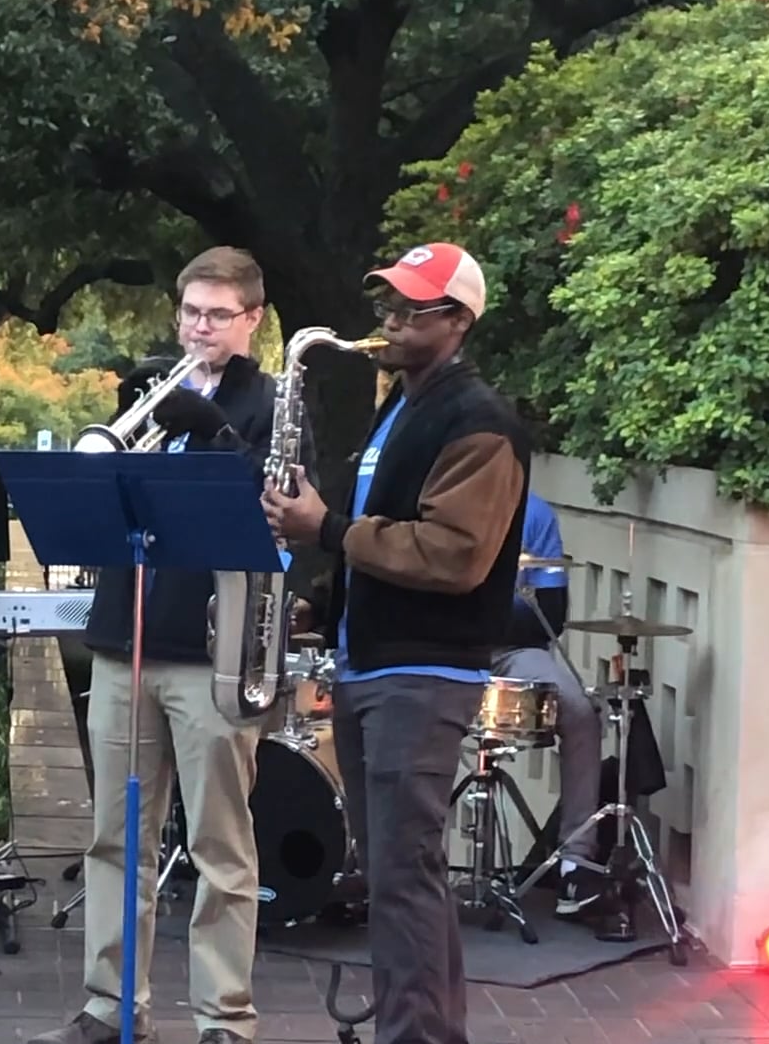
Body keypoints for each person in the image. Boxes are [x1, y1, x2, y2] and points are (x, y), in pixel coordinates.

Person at [35, 246, 311, 1044]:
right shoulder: (152, 396)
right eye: (191, 312)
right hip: (127, 637)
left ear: (253, 319)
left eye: (218, 315)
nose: (200, 328)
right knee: (114, 837)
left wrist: (218, 434)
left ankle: (224, 1017)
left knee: (220, 842)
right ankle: (108, 1006)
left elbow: (279, 509)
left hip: (211, 650)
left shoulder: (272, 403)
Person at [263, 241, 529, 1044]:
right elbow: (389, 537)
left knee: (404, 875)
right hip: (373, 663)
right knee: (399, 876)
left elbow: (452, 553)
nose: (389, 320)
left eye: (410, 308)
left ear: (456, 321)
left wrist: (329, 529)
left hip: (422, 673)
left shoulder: (479, 422)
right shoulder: (401, 406)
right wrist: (324, 598)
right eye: (388, 304)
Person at [500, 492, 608, 918]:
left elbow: (550, 613)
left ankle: (575, 863)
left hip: (512, 650)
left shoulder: (535, 511)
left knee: (581, 712)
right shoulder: (431, 493)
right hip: (437, 647)